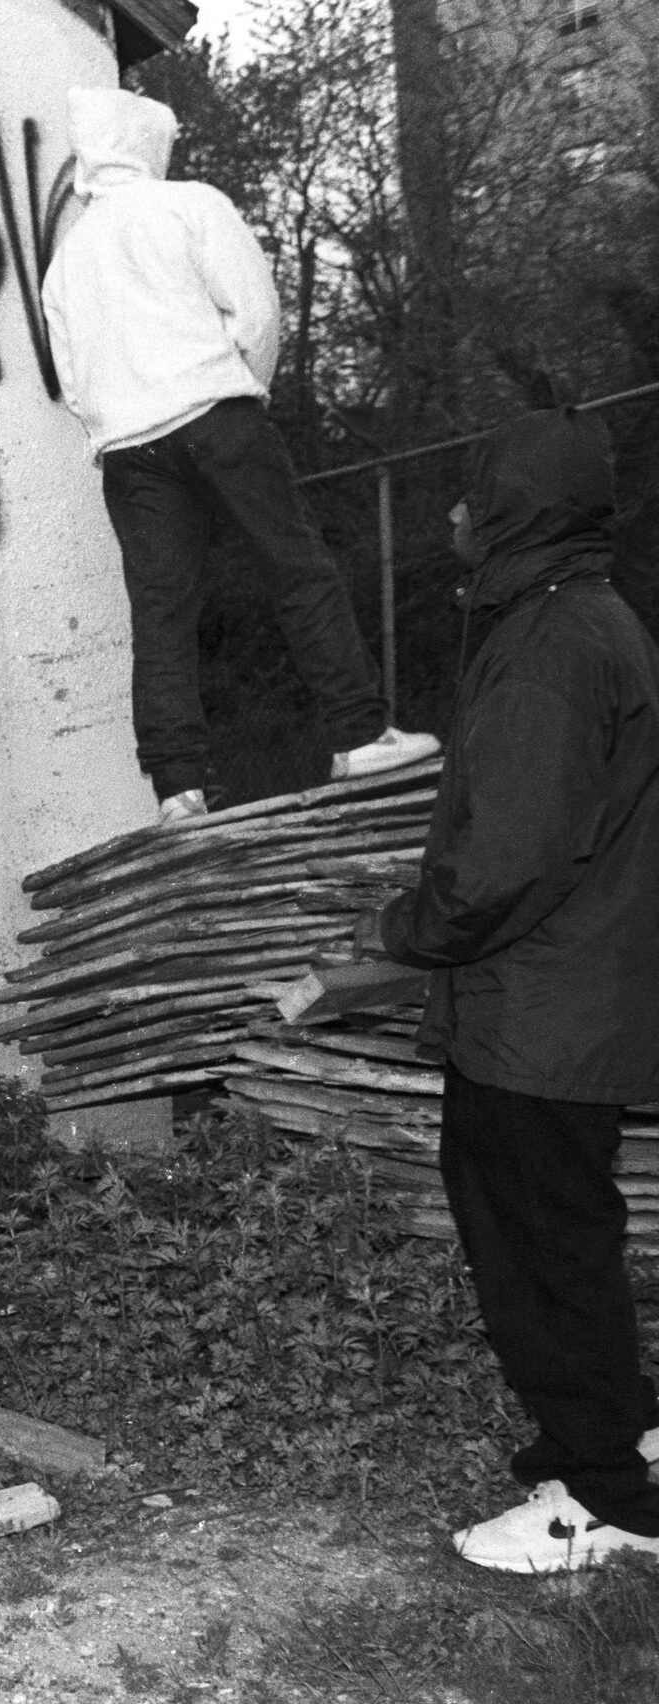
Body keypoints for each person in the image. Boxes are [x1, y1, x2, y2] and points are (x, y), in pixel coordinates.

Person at [359, 410, 659, 1572]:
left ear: (514, 512)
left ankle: (602, 1501)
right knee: (568, 1232)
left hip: (537, 1010)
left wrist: (405, 927)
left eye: (469, 494)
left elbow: (507, 861)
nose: (448, 515)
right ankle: (615, 1434)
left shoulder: (545, 647)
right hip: (570, 996)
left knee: (537, 1245)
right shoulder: (589, 619)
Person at [41, 86, 437, 824]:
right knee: (297, 569)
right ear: (145, 142)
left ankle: (177, 789)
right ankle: (357, 734)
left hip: (131, 451)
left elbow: (71, 382)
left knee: (162, 616)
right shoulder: (189, 204)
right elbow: (255, 312)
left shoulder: (67, 260)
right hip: (216, 415)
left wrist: (120, 423)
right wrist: (241, 389)